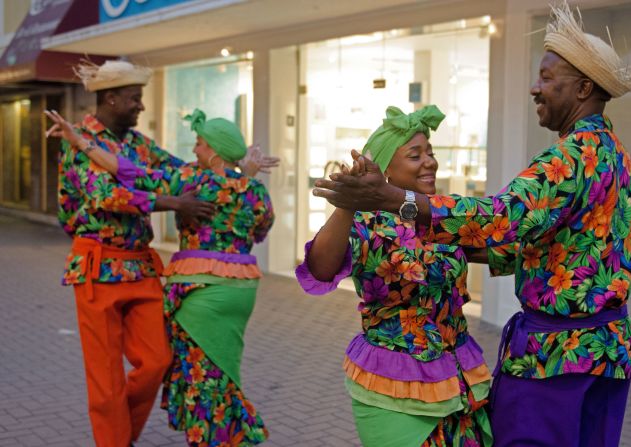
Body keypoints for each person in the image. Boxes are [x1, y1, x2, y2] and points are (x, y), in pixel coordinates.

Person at [311, 3, 631, 446]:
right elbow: (539, 243)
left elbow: (503, 221)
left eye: (546, 78)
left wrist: (397, 201)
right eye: (415, 154)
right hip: (603, 352)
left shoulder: (571, 157)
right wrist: (374, 208)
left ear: (583, 88)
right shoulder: (616, 156)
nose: (534, 88)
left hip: (559, 360)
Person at [47, 107, 274, 446]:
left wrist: (80, 142)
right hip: (241, 293)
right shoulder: (255, 191)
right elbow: (260, 231)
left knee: (201, 379)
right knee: (225, 373)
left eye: (199, 143)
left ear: (212, 151)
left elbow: (129, 172)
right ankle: (231, 434)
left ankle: (213, 439)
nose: (194, 149)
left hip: (197, 292)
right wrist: (246, 175)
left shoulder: (189, 181)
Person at [296, 105, 493, 447]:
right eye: (415, 155)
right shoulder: (365, 223)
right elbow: (321, 269)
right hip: (393, 383)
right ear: (385, 168)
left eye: (430, 153)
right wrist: (347, 204)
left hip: (458, 373)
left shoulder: (444, 213)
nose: (429, 162)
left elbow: (499, 247)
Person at [55, 60, 216, 447]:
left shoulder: (137, 144)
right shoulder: (77, 140)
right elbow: (105, 195)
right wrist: (172, 203)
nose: (140, 106)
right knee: (106, 380)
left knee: (157, 360)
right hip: (97, 268)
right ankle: (115, 440)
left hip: (139, 267)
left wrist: (226, 164)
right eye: (135, 99)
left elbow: (177, 171)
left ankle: (117, 435)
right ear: (111, 99)